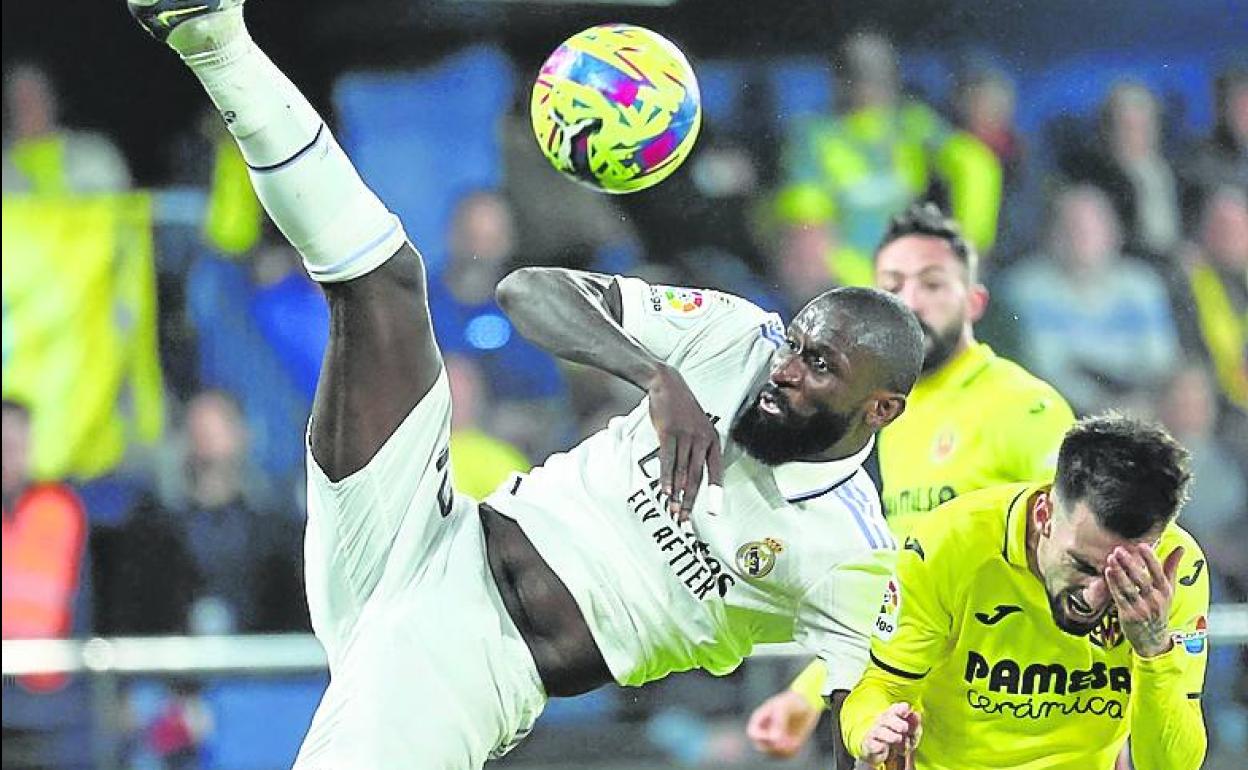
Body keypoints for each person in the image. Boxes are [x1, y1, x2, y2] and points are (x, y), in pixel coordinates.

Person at [126, 3, 925, 768]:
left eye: (821, 367)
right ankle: (208, 32)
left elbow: (865, 713)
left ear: (880, 409)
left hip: (477, 661)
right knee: (383, 278)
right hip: (427, 531)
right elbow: (528, 292)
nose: (787, 368)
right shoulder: (735, 339)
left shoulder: (848, 551)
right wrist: (654, 374)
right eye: (797, 342)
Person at [747, 203, 1075, 757]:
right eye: (892, 284)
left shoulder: (1027, 408)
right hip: (911, 710)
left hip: (1014, 716)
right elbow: (894, 582)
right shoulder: (882, 413)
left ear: (973, 301)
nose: (911, 301)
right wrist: (809, 692)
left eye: (932, 283)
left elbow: (1084, 561)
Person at [841, 414, 1208, 770]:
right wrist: (869, 728)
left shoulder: (1174, 573)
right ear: (1044, 515)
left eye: (1119, 578)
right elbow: (884, 685)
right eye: (1082, 565)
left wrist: (1155, 651)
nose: (1093, 597)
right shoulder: (952, 542)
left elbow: (1170, 765)